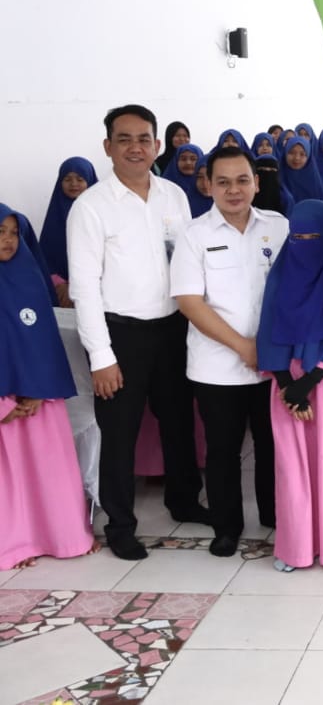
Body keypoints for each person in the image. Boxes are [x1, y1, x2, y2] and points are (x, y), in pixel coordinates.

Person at [67, 103, 208, 560]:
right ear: (108, 147)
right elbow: (84, 287)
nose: (135, 147)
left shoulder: (174, 196)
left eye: (144, 138)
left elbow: (187, 261)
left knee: (179, 422)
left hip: (173, 329)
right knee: (119, 433)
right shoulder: (90, 207)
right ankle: (120, 524)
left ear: (157, 145)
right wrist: (101, 356)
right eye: (124, 139)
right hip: (120, 335)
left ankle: (183, 500)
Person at [170, 147, 288, 557]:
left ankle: (276, 514)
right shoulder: (194, 234)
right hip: (216, 367)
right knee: (223, 451)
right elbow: (189, 301)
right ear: (208, 186)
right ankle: (226, 527)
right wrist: (242, 346)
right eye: (223, 182)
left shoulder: (279, 227)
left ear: (256, 182)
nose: (233, 190)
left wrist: (270, 349)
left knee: (274, 445)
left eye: (242, 180)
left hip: (273, 365)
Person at [0, 205, 99, 570]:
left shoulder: (29, 277)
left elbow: (44, 341)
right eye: (0, 232)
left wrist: (40, 389)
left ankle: (65, 536)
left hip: (41, 398)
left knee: (50, 471)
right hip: (5, 404)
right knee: (10, 479)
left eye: (14, 232)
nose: (8, 240)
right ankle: (14, 544)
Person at [257, 200, 323, 571]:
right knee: (292, 471)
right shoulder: (280, 276)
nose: (307, 245)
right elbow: (269, 329)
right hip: (286, 386)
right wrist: (289, 387)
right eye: (299, 238)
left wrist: (310, 381)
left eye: (316, 237)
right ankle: (296, 547)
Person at [39, 156, 99, 290]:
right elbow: (45, 257)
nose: (73, 184)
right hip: (61, 290)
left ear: (90, 181)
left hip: (98, 286)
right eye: (67, 179)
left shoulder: (102, 213)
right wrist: (59, 285)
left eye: (80, 179)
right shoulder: (55, 215)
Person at [161, 144, 209, 217]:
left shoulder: (208, 188)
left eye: (193, 159)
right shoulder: (163, 187)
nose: (188, 162)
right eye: (183, 159)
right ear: (176, 161)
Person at [281, 135, 323, 203]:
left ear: (308, 158)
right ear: (285, 154)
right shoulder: (277, 179)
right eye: (291, 153)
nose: (297, 158)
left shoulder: (314, 183)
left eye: (302, 154)